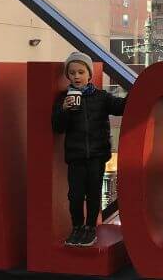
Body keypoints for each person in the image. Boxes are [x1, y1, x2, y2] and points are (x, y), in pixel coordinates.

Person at [51, 52, 126, 247]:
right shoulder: (63, 99)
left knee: (93, 192)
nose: (76, 76)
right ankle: (76, 227)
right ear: (67, 75)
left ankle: (90, 227)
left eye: (81, 72)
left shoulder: (101, 97)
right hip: (75, 155)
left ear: (89, 74)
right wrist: (64, 110)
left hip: (97, 154)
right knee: (75, 194)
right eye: (72, 72)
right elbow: (57, 127)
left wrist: (138, 91)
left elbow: (121, 107)